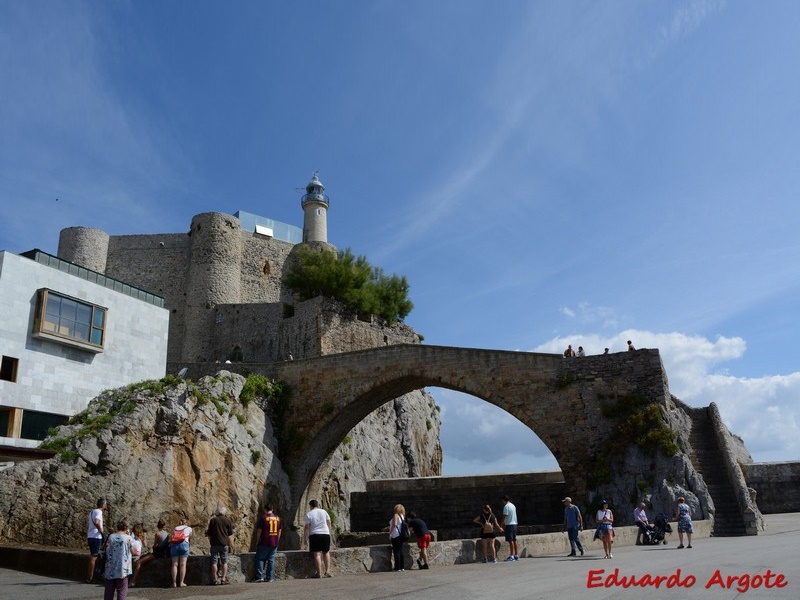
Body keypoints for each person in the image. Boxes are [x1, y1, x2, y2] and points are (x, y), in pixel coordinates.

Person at [130, 519, 169, 587]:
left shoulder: (157, 534)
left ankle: (133, 581)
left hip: (158, 553)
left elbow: (154, 545)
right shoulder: (167, 534)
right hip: (165, 552)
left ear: (157, 525)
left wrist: (153, 548)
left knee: (139, 562)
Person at [103, 519, 133, 600]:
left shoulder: (111, 536)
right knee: (121, 591)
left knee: (109, 590)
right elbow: (133, 551)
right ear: (126, 528)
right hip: (122, 568)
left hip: (110, 567)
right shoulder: (128, 538)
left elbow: (106, 549)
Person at [304, 500, 333, 578]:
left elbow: (307, 527)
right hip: (325, 534)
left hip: (315, 534)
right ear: (317, 505)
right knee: (326, 552)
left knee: (317, 554)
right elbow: (329, 522)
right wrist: (329, 531)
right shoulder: (324, 511)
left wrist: (305, 537)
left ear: (310, 506)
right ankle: (327, 571)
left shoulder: (309, 514)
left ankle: (319, 573)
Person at [206, 506, 235, 585]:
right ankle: (223, 579)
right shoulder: (227, 520)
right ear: (224, 512)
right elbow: (230, 533)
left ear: (217, 512)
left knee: (214, 562)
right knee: (224, 562)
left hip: (214, 543)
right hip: (224, 543)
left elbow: (209, 532)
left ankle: (214, 579)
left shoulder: (213, 520)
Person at [254, 504, 282, 582]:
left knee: (260, 558)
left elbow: (259, 530)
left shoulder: (264, 517)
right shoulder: (277, 518)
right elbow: (279, 530)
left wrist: (257, 540)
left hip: (264, 541)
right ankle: (269, 577)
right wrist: (277, 540)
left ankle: (260, 576)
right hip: (274, 541)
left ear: (265, 509)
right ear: (272, 509)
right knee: (271, 560)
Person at [86, 497, 107, 583]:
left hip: (91, 536)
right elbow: (97, 521)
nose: (106, 506)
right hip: (96, 537)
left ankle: (90, 576)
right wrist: (100, 530)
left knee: (94, 556)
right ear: (103, 505)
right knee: (94, 557)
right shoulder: (99, 512)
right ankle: (90, 578)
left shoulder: (92, 512)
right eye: (106, 504)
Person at [170, 517, 193, 587]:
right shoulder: (189, 528)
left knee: (174, 564)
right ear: (186, 523)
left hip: (174, 545)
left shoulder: (176, 528)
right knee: (183, 564)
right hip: (184, 544)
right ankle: (181, 582)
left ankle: (174, 583)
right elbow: (190, 538)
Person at [385, 504, 408, 572]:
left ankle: (397, 567)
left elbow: (394, 525)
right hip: (401, 535)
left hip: (395, 535)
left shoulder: (396, 515)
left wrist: (390, 534)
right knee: (400, 551)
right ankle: (402, 567)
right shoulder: (402, 516)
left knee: (396, 551)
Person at [500, 495, 519, 561]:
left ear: (503, 500)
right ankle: (516, 555)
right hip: (514, 523)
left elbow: (504, 516)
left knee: (510, 540)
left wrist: (501, 525)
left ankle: (511, 555)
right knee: (514, 540)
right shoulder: (513, 505)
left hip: (509, 524)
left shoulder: (506, 506)